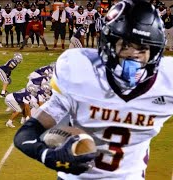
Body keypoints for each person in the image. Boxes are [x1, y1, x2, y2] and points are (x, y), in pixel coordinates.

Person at [14, 0, 169, 179]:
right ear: (109, 43)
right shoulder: (81, 71)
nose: (133, 55)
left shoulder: (168, 82)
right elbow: (28, 132)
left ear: (156, 52)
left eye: (142, 48)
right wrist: (48, 155)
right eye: (125, 44)